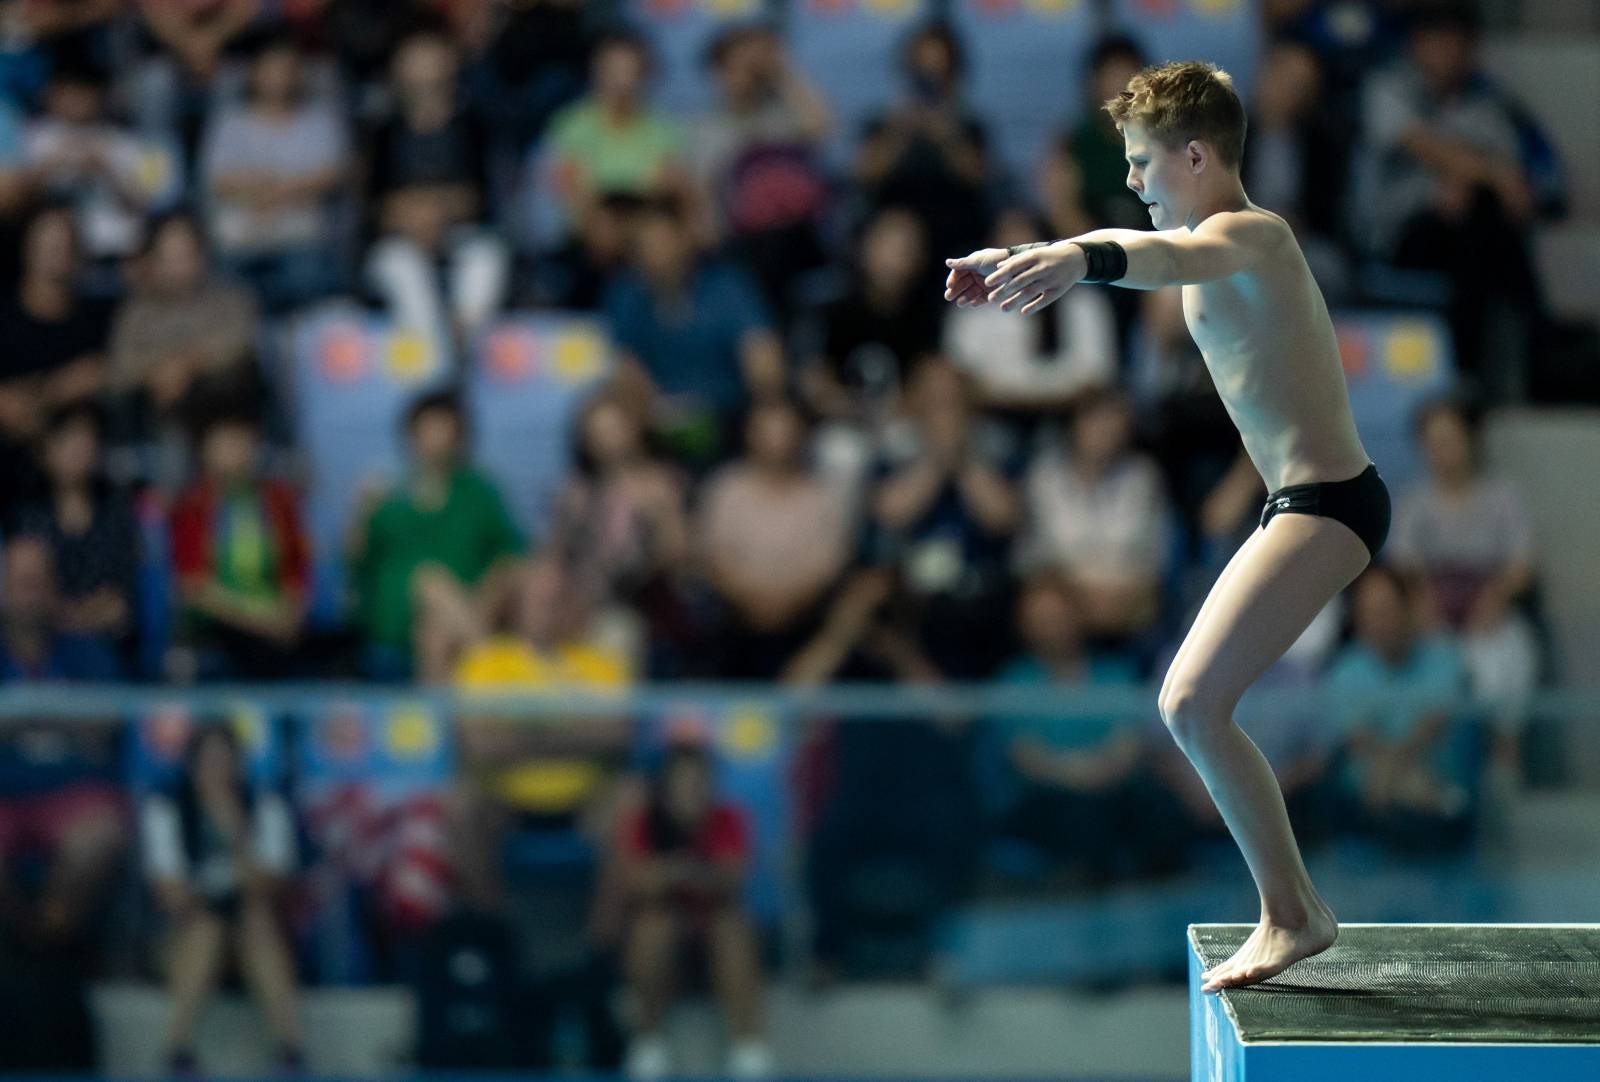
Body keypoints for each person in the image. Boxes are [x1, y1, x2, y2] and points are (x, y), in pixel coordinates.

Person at [944, 60, 1390, 991]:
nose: (1135, 180)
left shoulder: (1254, 236)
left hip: (1329, 503)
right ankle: (1294, 909)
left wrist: (1076, 258)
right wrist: (1034, 256)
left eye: (1144, 162)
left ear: (1196, 155)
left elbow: (1167, 258)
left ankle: (1292, 914)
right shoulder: (1210, 237)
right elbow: (1145, 246)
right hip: (1299, 504)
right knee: (1190, 703)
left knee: (1189, 703)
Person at [141, 724, 304, 1074]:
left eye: (226, 761)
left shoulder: (264, 805)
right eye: (209, 761)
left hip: (254, 939)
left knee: (255, 917)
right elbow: (171, 897)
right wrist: (220, 891)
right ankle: (177, 1050)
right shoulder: (166, 808)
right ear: (191, 765)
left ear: (240, 765)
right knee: (208, 925)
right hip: (184, 939)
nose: (218, 771)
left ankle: (290, 1051)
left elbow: (273, 885)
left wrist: (235, 829)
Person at [611, 737, 772, 1080]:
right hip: (662, 937)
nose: (693, 792)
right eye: (684, 784)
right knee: (654, 928)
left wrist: (675, 871)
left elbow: (733, 878)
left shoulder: (728, 818)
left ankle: (749, 1050)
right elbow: (638, 881)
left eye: (701, 783)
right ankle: (649, 1043)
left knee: (732, 929)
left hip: (713, 932)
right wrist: (688, 874)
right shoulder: (645, 821)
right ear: (666, 788)